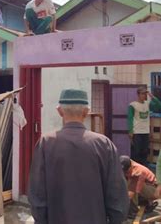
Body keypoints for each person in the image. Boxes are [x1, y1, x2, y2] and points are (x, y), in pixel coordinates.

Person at [28, 89, 129, 224]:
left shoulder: (46, 143)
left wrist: (41, 220)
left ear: (60, 111)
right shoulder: (104, 144)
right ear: (86, 112)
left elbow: (37, 192)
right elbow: (116, 193)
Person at [128, 87, 161, 165]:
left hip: (145, 131)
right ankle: (134, 167)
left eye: (145, 93)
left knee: (144, 151)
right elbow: (130, 118)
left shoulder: (148, 104)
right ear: (138, 94)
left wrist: (152, 96)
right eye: (142, 93)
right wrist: (130, 131)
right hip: (136, 132)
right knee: (136, 152)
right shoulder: (133, 105)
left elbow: (160, 106)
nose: (144, 95)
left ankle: (143, 168)